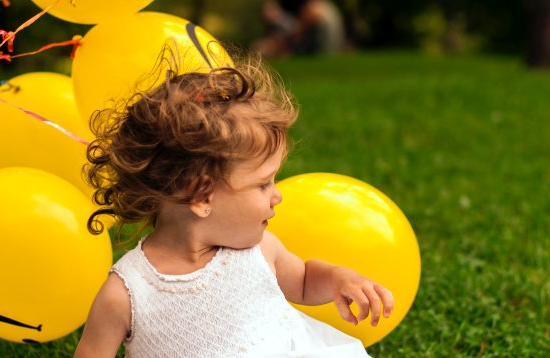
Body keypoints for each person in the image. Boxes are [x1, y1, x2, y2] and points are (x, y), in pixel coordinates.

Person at [73, 54, 394, 357]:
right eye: (263, 184)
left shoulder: (259, 251)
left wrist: (340, 280)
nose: (277, 194)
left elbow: (305, 280)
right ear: (202, 197)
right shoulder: (127, 293)